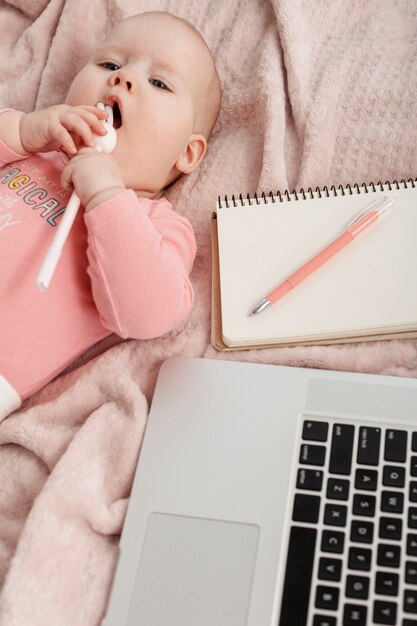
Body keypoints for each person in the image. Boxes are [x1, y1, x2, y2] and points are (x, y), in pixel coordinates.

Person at [0, 11, 222, 419]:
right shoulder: (33, 148)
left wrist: (106, 194)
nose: (123, 79)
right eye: (109, 64)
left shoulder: (156, 224)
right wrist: (22, 131)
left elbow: (149, 313)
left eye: (158, 83)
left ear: (187, 153)